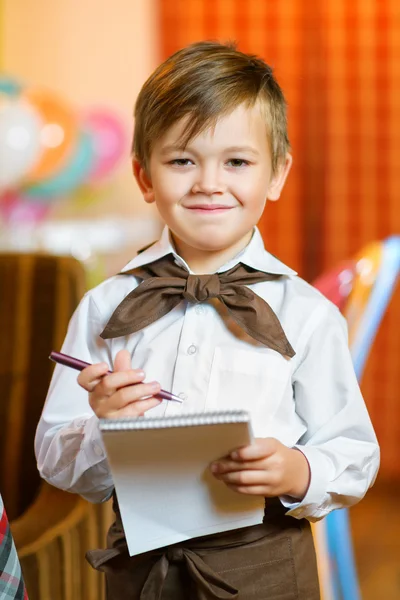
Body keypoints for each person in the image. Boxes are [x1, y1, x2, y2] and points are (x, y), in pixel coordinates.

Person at [35, 41, 379, 599]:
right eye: (182, 160)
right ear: (145, 176)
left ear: (277, 174)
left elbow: (355, 455)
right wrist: (105, 427)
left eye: (237, 161)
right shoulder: (104, 307)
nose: (208, 183)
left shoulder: (309, 315)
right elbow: (56, 462)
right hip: (141, 571)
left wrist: (298, 471)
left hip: (269, 570)